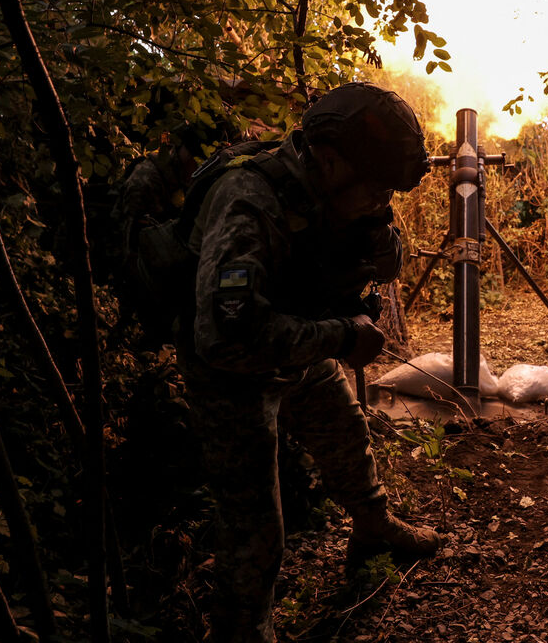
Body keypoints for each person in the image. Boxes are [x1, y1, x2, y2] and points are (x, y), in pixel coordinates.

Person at [176, 82, 442, 643]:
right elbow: (226, 337)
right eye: (373, 187)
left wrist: (386, 249)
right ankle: (244, 630)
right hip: (231, 374)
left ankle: (372, 529)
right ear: (327, 157)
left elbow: (367, 245)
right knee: (255, 531)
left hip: (302, 344)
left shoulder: (339, 187)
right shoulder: (248, 200)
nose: (380, 200)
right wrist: (341, 337)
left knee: (347, 436)